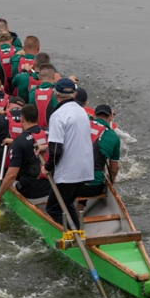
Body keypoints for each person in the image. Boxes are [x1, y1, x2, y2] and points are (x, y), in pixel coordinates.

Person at [41, 78, 93, 227]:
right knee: (67, 203)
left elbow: (57, 150)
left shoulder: (58, 115)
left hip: (69, 173)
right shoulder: (82, 112)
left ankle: (74, 237)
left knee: (53, 208)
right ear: (75, 94)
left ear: (56, 95)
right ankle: (77, 233)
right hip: (85, 170)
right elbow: (71, 139)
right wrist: (47, 146)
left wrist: (48, 167)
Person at [0, 103, 51, 204]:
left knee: (11, 182)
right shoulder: (49, 132)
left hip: (32, 193)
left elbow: (11, 175)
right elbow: (33, 141)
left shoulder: (20, 142)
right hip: (51, 188)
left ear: (22, 119)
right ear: (37, 118)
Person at [75, 104, 120, 199]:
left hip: (70, 183)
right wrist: (111, 181)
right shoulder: (114, 137)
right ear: (111, 117)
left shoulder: (82, 123)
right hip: (93, 189)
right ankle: (81, 207)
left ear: (94, 115)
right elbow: (114, 169)